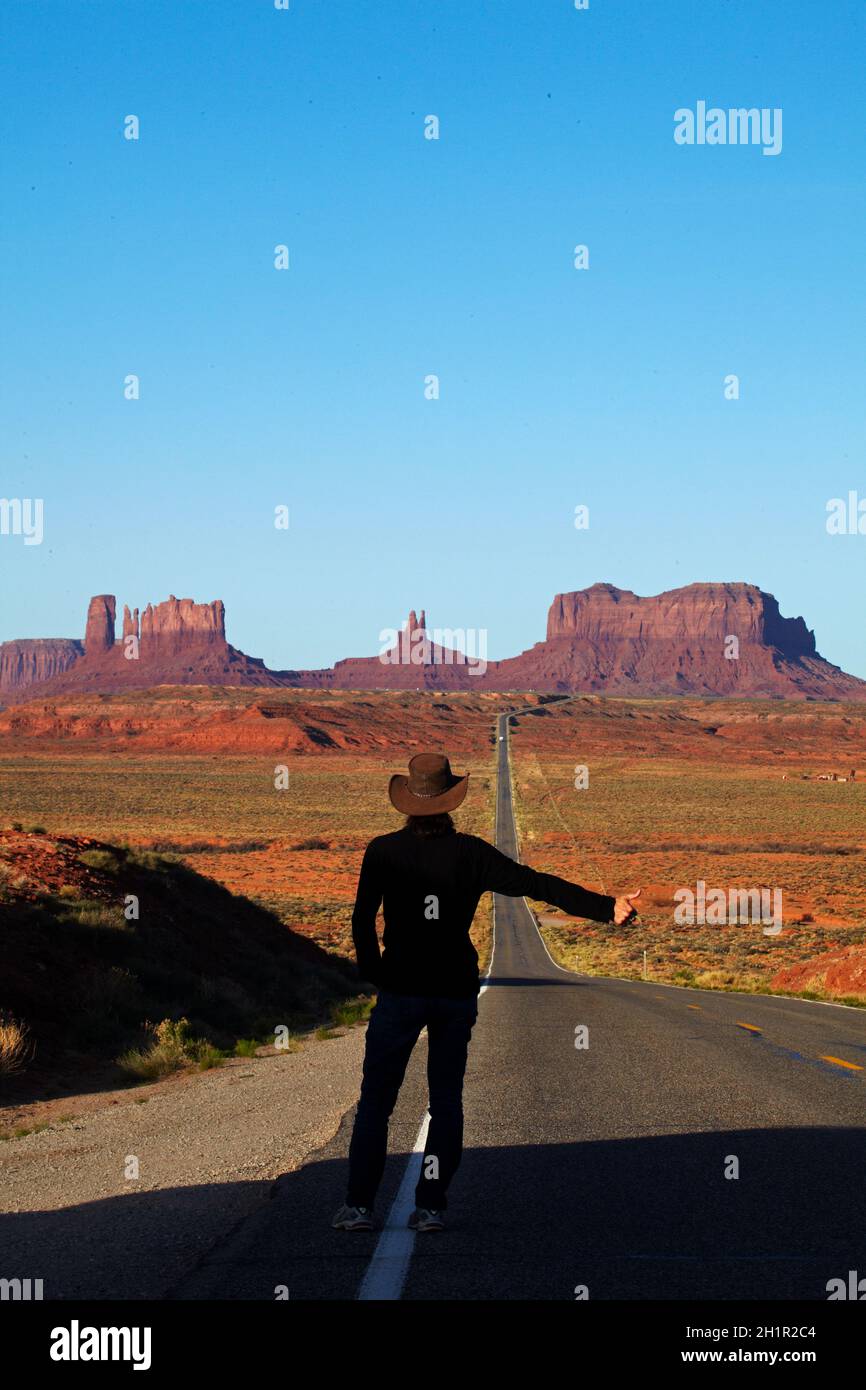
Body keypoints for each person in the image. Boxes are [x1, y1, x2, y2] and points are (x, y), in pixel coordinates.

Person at [332, 752, 641, 1233]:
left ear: (407, 803)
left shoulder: (382, 852)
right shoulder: (471, 854)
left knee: (376, 1100)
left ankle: (359, 1207)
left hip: (401, 991)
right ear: (451, 801)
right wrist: (604, 907)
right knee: (445, 1101)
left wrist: (378, 974)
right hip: (453, 991)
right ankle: (431, 1207)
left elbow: (361, 920)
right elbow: (533, 884)